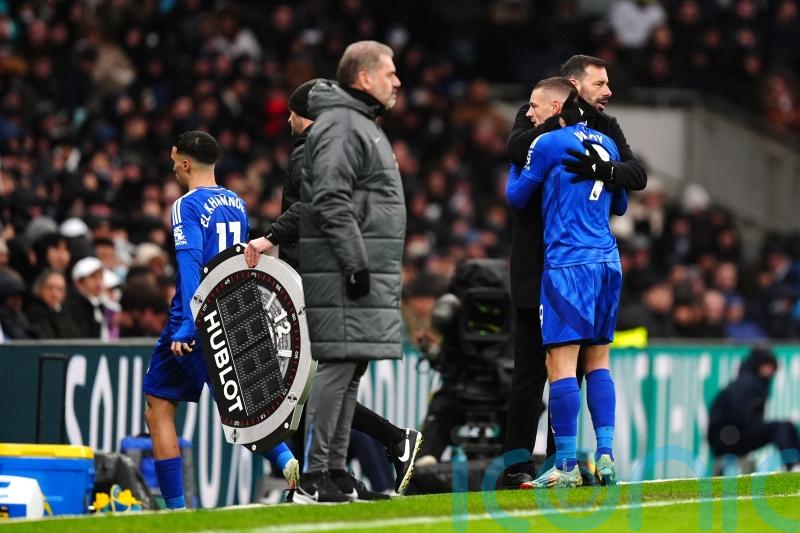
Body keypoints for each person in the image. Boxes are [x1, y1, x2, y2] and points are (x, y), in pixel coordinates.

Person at [245, 78, 422, 498]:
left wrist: (271, 236)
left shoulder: (311, 150)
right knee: (325, 380)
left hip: (316, 275)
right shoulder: (349, 146)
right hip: (335, 271)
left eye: (291, 111)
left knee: (312, 385)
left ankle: (330, 470)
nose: (287, 118)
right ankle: (340, 469)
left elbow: (313, 205)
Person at [501, 54, 647, 488]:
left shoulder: (560, 138)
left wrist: (556, 157)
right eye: (600, 83)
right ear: (573, 85)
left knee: (559, 366)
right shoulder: (596, 135)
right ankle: (595, 457)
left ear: (553, 103)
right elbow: (622, 196)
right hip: (600, 261)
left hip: (563, 263)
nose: (608, 92)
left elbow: (516, 190)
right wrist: (602, 168)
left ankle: (562, 463)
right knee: (583, 363)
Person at [142, 131, 299, 510]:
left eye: (173, 159)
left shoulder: (186, 206)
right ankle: (287, 461)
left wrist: (187, 323)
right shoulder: (236, 203)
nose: (172, 167)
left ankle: (175, 511)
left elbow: (190, 261)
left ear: (184, 162)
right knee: (237, 405)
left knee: (159, 407)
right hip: (234, 311)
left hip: (194, 316)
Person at [708, 346, 800, 471]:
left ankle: (795, 465)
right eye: (766, 365)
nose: (770, 370)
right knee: (781, 427)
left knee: (786, 426)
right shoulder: (745, 384)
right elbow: (740, 418)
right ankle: (794, 467)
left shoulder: (754, 383)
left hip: (732, 436)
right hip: (728, 438)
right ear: (758, 365)